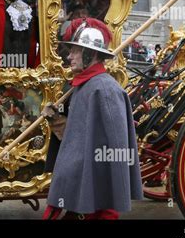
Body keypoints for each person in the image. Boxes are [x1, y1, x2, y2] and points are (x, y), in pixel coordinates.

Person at [41, 17, 142, 220]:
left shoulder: (104, 89)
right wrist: (57, 120)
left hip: (94, 191)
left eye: (75, 51)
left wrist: (102, 189)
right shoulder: (83, 86)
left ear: (91, 53)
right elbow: (79, 135)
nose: (69, 56)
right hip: (78, 180)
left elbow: (113, 147)